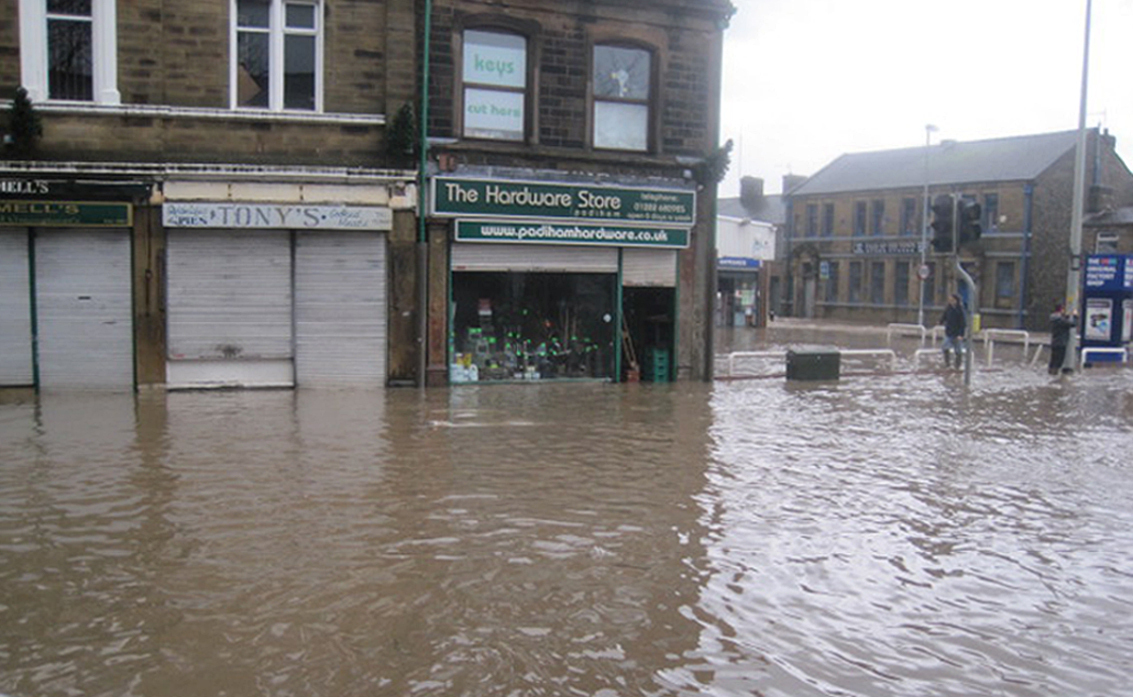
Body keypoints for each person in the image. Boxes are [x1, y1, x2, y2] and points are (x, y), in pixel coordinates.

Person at [1048, 303, 1077, 375]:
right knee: (1058, 361)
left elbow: (1065, 322)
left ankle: (1051, 373)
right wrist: (1075, 316)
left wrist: (1066, 317)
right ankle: (1054, 374)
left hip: (1055, 342)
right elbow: (1072, 324)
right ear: (1061, 310)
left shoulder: (1054, 319)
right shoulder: (1060, 320)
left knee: (1053, 360)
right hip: (1061, 343)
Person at [940, 293, 966, 369]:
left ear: (956, 300)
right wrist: (940, 321)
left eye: (952, 300)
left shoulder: (960, 310)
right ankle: (947, 364)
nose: (950, 301)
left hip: (957, 333)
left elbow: (963, 323)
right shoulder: (948, 308)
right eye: (949, 300)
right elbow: (944, 316)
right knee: (945, 347)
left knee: (958, 350)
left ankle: (957, 366)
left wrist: (961, 334)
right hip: (949, 332)